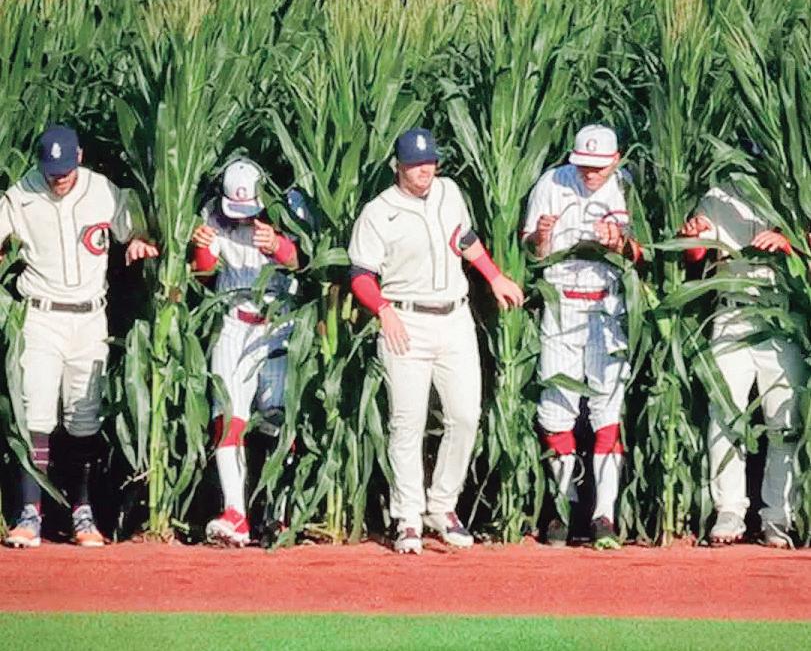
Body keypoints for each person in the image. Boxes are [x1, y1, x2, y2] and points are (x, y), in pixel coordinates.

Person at [348, 127, 524, 555]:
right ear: (398, 167)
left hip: (454, 317)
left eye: (429, 162)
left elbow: (463, 239)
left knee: (465, 416)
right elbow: (360, 274)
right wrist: (383, 310)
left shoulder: (449, 192)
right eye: (415, 164)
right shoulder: (379, 212)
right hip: (405, 320)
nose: (424, 170)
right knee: (407, 423)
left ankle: (442, 507)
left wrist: (495, 276)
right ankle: (408, 517)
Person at [0, 124, 158, 548]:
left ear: (80, 159)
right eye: (52, 172)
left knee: (84, 417)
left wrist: (138, 240)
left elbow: (135, 228)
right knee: (34, 413)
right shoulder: (22, 194)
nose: (59, 179)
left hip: (90, 318)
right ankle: (29, 513)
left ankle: (82, 513)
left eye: (66, 170)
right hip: (41, 315)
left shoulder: (101, 190)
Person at [522, 124, 641, 549]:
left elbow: (644, 253)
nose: (590, 174)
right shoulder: (552, 183)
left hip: (608, 308)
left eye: (598, 167)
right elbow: (529, 249)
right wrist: (541, 237)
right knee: (557, 408)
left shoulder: (627, 187)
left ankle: (603, 515)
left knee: (607, 409)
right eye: (584, 166)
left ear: (615, 160)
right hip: (561, 304)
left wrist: (620, 243)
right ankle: (561, 506)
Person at [680, 178, 804, 548]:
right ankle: (729, 511)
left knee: (784, 420)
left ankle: (778, 517)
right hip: (732, 315)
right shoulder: (718, 196)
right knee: (725, 415)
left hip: (781, 316)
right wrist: (693, 238)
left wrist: (789, 244)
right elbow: (695, 256)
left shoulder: (793, 186)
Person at [191, 158, 307, 547]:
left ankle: (278, 513)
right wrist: (203, 249)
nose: (241, 218)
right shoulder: (213, 213)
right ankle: (235, 514)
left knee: (278, 418)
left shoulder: (288, 208)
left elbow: (307, 263)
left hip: (279, 326)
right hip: (234, 323)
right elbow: (204, 272)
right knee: (228, 417)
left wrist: (279, 245)